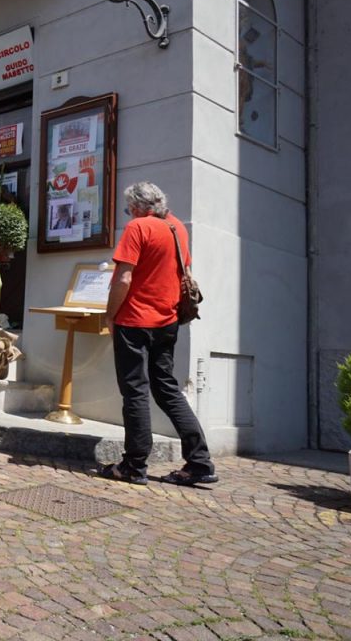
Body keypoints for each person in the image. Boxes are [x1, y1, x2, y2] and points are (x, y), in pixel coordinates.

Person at [100, 182, 218, 486]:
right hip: (167, 322)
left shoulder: (139, 227)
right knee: (167, 388)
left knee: (135, 391)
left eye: (129, 209)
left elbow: (124, 278)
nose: (129, 215)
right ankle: (200, 461)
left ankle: (133, 465)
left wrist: (110, 315)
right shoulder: (177, 227)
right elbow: (184, 271)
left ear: (139, 207)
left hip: (135, 320)